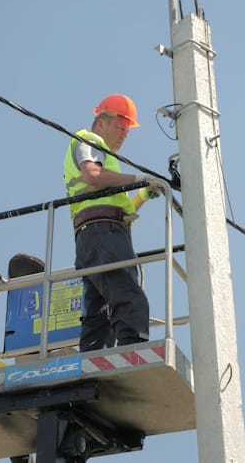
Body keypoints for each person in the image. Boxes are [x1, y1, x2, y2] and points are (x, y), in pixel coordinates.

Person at [63, 93, 163, 351]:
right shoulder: (89, 139)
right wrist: (139, 178)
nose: (123, 134)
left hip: (93, 235)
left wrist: (142, 195)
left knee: (100, 310)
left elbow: (119, 209)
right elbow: (92, 175)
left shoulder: (109, 163)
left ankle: (92, 362)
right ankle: (133, 352)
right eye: (120, 127)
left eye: (127, 131)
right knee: (127, 294)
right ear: (101, 123)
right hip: (102, 232)